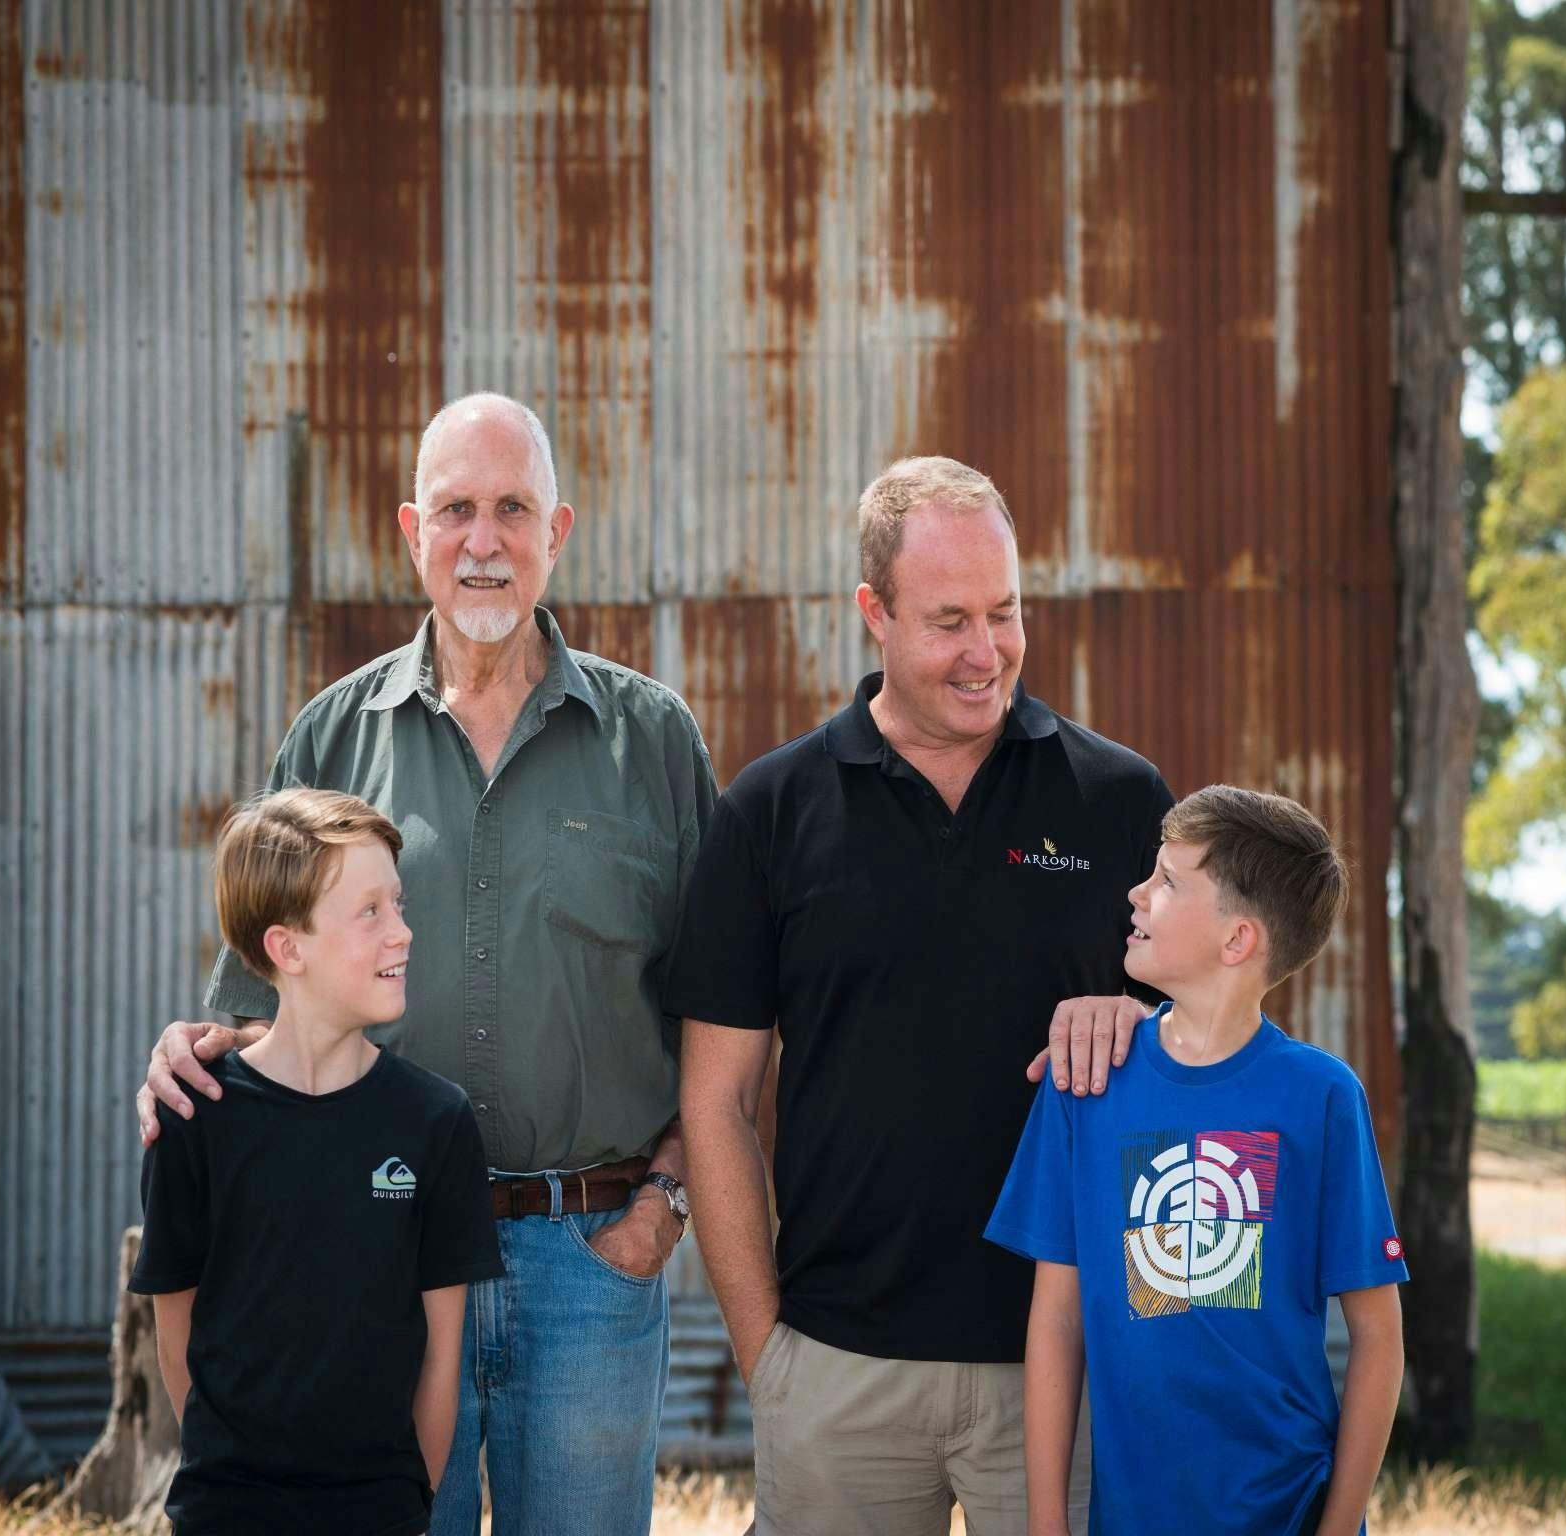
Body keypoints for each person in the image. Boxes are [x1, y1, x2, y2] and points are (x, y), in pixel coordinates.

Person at [135, 394, 717, 1536]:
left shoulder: (653, 742)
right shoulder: (331, 738)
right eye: (455, 510)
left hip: (589, 1256)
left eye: (512, 510)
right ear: (412, 532)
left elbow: (728, 1017)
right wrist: (187, 1050)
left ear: (558, 531)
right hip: (377, 1254)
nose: (483, 542)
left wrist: (663, 1204)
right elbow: (264, 997)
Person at [670, 456, 1173, 1535]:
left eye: (1004, 612)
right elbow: (713, 1102)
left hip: (1066, 1370)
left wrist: (1143, 1022)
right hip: (838, 1371)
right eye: (948, 620)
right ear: (873, 613)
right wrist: (771, 1360)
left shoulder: (1120, 802)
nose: (984, 652)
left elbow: (1208, 1060)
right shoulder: (769, 812)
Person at [986, 785, 1407, 1536]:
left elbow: (1378, 1337)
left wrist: (1338, 1529)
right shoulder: (1084, 1081)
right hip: (1130, 1517)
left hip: (1289, 1512)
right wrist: (1047, 1525)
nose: (1137, 893)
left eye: (1168, 882)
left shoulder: (1321, 1097)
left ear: (1237, 940)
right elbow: (1056, 1319)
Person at [131, 788, 503, 1534]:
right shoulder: (195, 1117)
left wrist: (407, 1503)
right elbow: (179, 1340)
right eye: (370, 912)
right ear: (286, 947)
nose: (401, 933)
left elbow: (441, 1360)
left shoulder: (435, 1123)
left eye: (398, 905)